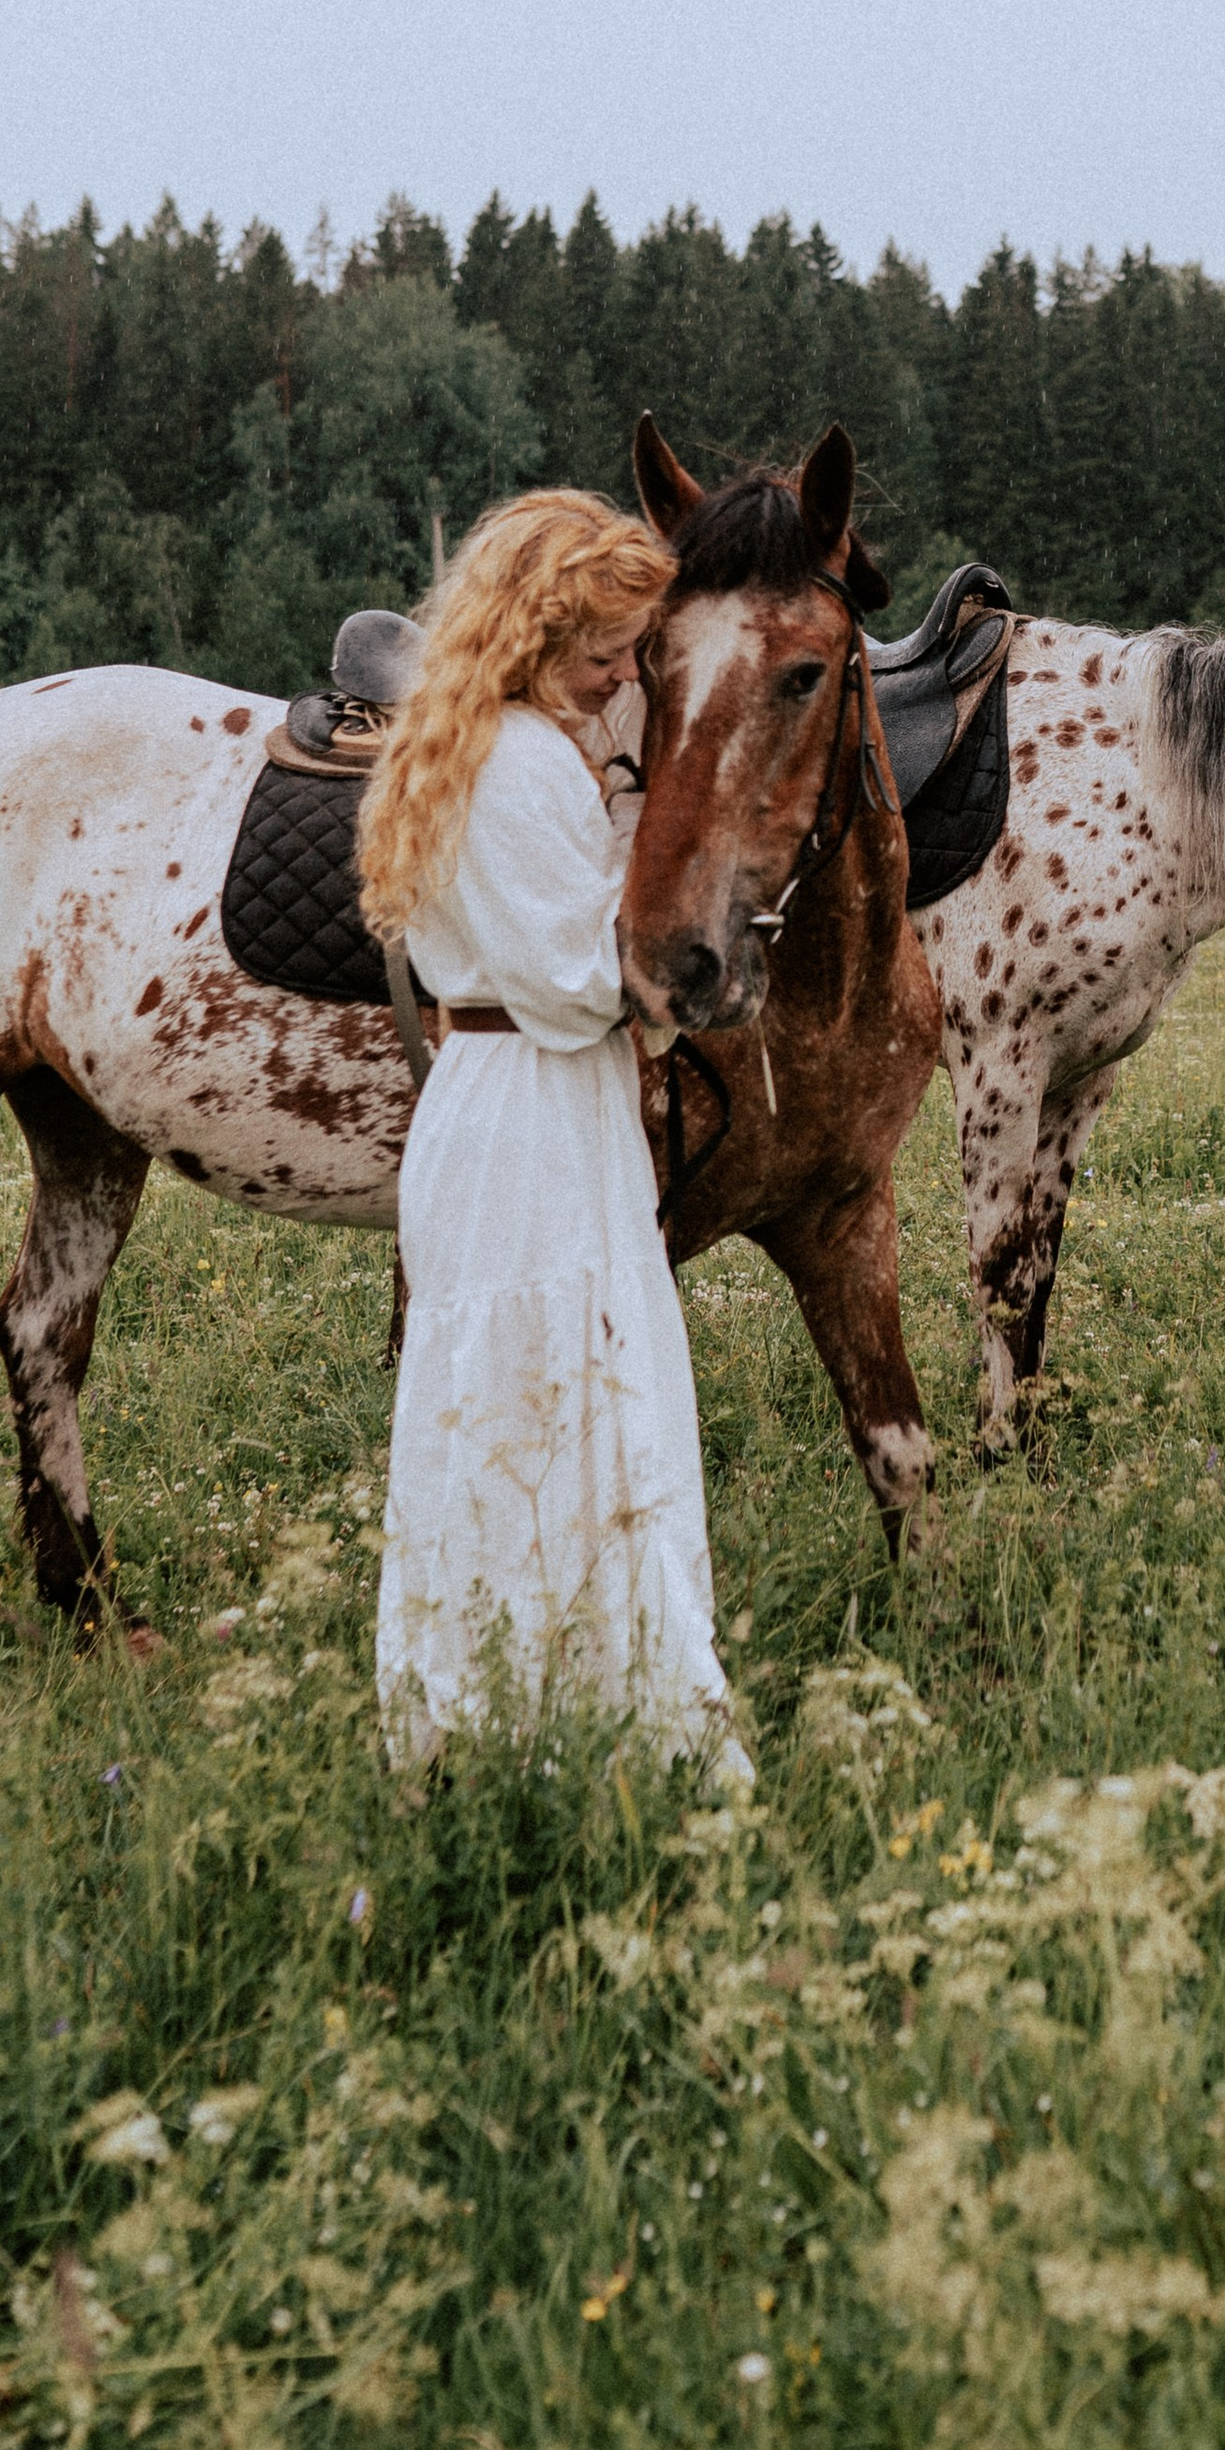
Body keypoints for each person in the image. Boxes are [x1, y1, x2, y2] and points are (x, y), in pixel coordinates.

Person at [355, 490, 744, 1773]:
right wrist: (687, 951)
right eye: (605, 649)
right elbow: (580, 979)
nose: (623, 674)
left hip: (512, 1101)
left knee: (523, 1399)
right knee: (561, 1398)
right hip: (533, 1108)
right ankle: (598, 1721)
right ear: (532, 630)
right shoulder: (518, 761)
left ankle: (510, 1703)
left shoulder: (483, 738)